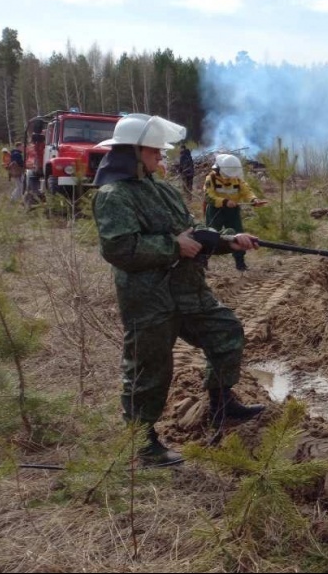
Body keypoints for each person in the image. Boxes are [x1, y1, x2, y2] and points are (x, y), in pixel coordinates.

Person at [91, 113, 265, 466]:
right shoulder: (114, 195)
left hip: (187, 290)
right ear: (132, 151)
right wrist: (173, 247)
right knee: (148, 368)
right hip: (148, 297)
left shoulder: (161, 189)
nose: (160, 156)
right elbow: (119, 249)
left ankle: (221, 406)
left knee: (226, 333)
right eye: (154, 150)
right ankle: (143, 443)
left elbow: (191, 230)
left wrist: (229, 241)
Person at [204, 154, 267, 272]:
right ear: (218, 169)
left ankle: (240, 264)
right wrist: (224, 202)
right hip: (215, 210)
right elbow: (208, 197)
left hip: (232, 211)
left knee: (239, 235)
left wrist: (254, 200)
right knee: (209, 235)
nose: (228, 178)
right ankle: (202, 262)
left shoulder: (236, 179)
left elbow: (246, 192)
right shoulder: (210, 179)